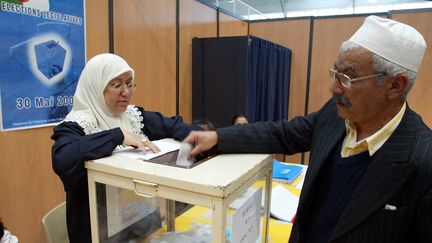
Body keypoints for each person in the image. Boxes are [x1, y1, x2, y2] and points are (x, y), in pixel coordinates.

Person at [184, 15, 432, 243]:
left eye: (347, 78)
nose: (333, 88)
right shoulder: (334, 115)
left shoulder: (424, 161)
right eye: (335, 72)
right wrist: (217, 136)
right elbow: (283, 134)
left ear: (395, 86)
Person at [51, 53, 198, 243]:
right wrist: (117, 135)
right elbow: (63, 159)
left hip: (137, 223)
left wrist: (206, 136)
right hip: (97, 231)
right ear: (96, 86)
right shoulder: (77, 124)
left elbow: (173, 126)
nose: (126, 92)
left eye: (129, 84)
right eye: (116, 84)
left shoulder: (132, 116)